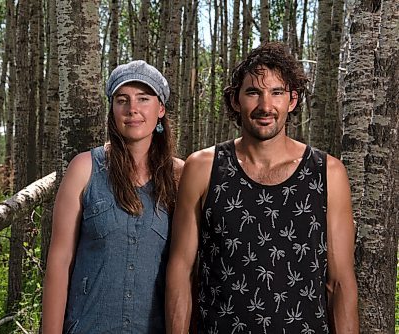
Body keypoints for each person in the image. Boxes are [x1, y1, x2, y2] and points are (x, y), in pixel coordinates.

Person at [165, 42, 359, 333]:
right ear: (235, 100)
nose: (265, 106)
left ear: (292, 101)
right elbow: (181, 271)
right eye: (254, 92)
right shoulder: (203, 167)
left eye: (277, 92)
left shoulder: (327, 172)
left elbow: (340, 283)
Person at [43, 60, 184, 333]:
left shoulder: (181, 176)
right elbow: (59, 263)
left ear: (161, 109)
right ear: (112, 109)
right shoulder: (85, 168)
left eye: (143, 99)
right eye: (122, 100)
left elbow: (191, 268)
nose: (132, 109)